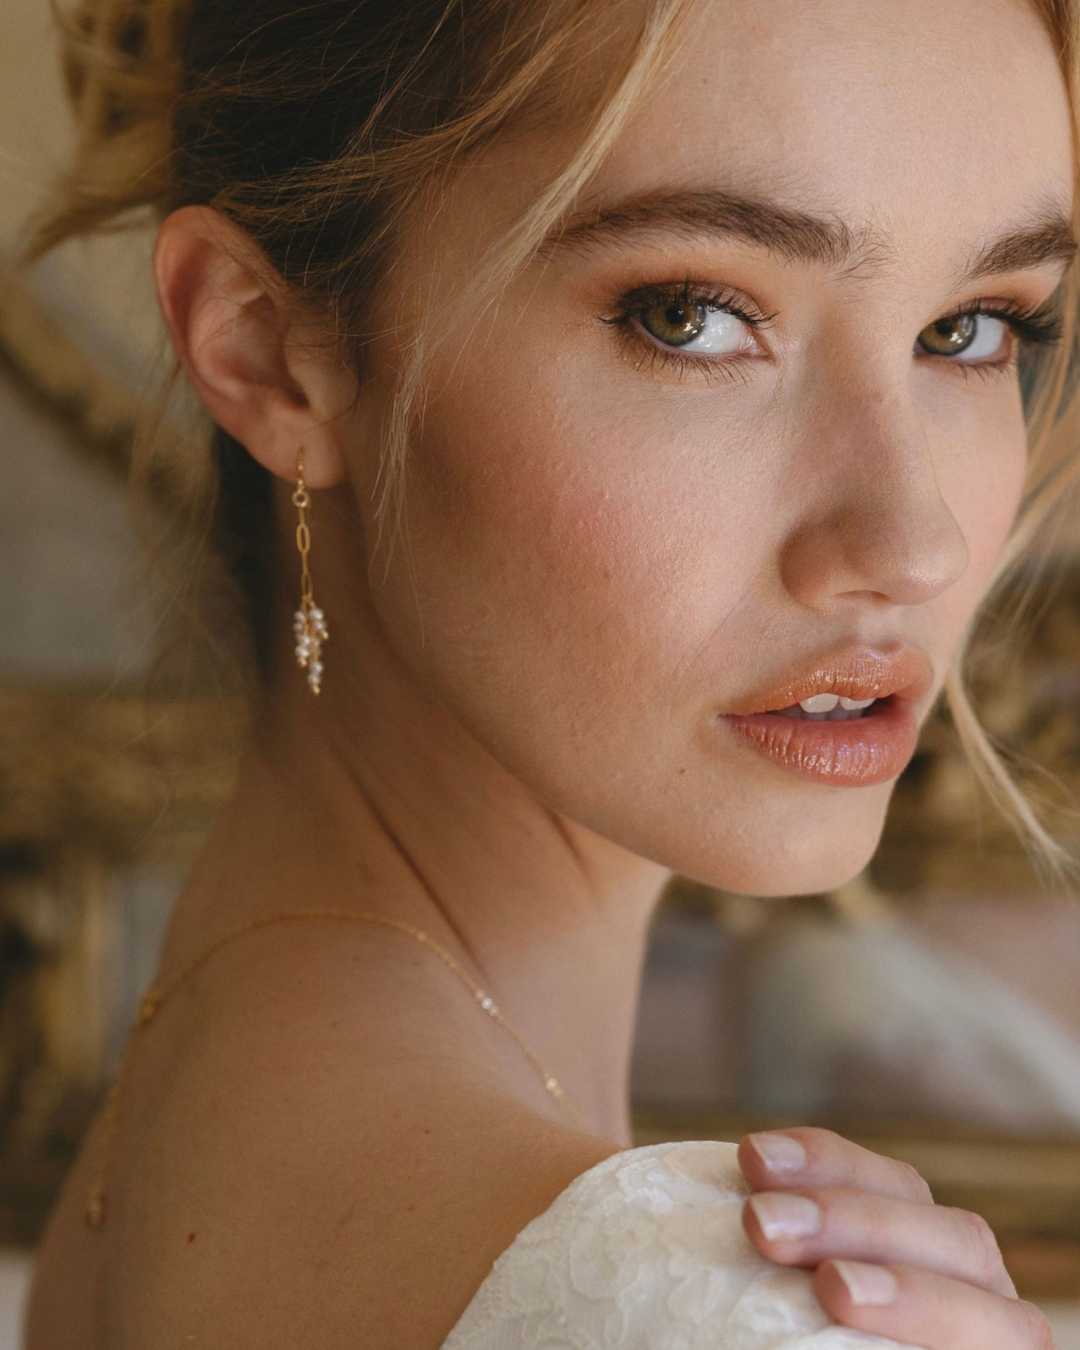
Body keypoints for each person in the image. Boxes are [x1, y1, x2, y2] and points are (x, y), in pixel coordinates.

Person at [23, 0, 1078, 1345]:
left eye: (974, 327)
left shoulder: (191, 1093)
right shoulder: (703, 1309)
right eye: (691, 315)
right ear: (269, 349)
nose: (909, 544)